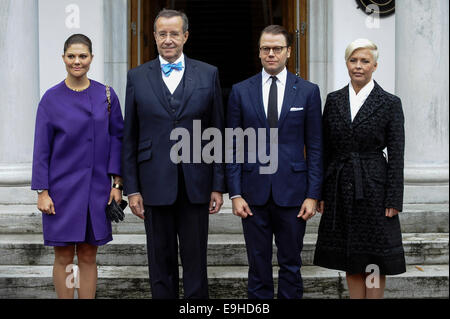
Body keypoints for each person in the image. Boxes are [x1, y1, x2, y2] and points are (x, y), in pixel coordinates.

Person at [122, 9, 226, 299]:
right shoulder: (136, 77)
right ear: (154, 36)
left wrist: (218, 185)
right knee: (159, 262)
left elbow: (216, 132)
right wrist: (132, 189)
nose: (168, 40)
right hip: (153, 183)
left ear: (186, 36)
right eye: (162, 34)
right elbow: (129, 136)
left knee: (196, 263)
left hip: (196, 184)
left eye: (174, 34)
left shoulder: (208, 73)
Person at [226, 25, 323, 299]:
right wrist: (234, 193)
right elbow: (232, 146)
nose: (271, 54)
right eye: (266, 48)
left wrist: (313, 195)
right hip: (252, 193)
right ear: (259, 53)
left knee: (291, 265)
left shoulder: (307, 91)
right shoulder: (240, 91)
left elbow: (315, 147)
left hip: (293, 193)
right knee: (257, 266)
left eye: (277, 48)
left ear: (288, 52)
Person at [31, 34, 124, 299]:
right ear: (63, 58)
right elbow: (42, 148)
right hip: (61, 191)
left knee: (87, 254)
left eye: (82, 56)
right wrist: (42, 191)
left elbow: (118, 139)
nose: (77, 61)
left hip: (96, 189)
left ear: (91, 58)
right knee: (63, 255)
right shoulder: (51, 99)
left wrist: (117, 184)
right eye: (71, 56)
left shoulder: (106, 95)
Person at [313, 39, 406, 299]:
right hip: (339, 187)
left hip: (375, 188)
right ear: (346, 64)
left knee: (375, 257)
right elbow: (326, 150)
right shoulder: (333, 100)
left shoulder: (389, 103)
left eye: (365, 61)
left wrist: (394, 197)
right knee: (350, 255)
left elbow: (397, 154)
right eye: (353, 61)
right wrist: (320, 192)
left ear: (375, 65)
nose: (358, 66)